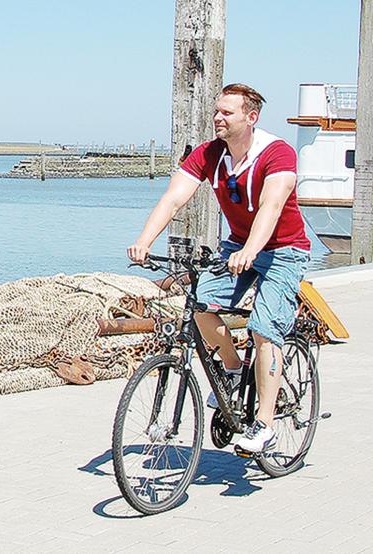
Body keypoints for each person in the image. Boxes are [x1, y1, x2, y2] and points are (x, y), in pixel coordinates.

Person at [127, 83, 310, 454]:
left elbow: (271, 207)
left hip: (283, 250)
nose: (217, 118)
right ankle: (233, 368)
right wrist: (145, 241)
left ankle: (264, 424)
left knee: (263, 328)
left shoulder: (277, 153)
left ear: (251, 117)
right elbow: (174, 198)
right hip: (238, 248)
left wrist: (251, 251)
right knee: (199, 305)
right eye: (216, 111)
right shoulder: (211, 154)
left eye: (227, 112)